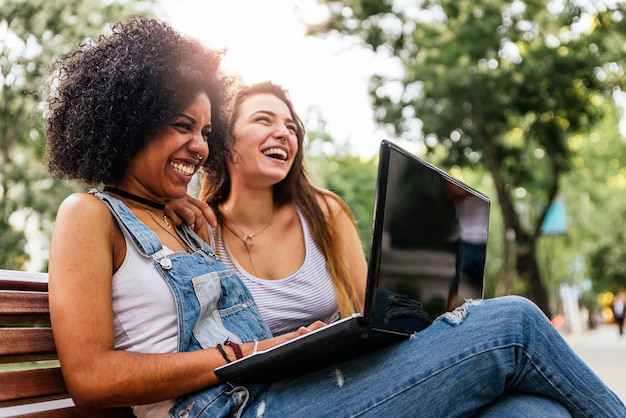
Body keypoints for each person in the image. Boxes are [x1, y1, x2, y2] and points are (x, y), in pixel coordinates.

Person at [44, 17, 626, 417]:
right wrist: (240, 356)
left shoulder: (181, 219)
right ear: (127, 119)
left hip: (285, 391)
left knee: (532, 409)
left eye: (204, 131)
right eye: (181, 126)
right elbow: (91, 380)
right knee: (517, 325)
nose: (200, 146)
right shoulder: (89, 216)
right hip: (242, 406)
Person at [160, 82, 625, 417]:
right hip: (282, 398)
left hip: (356, 376)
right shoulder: (195, 226)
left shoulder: (322, 212)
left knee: (535, 413)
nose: (284, 133)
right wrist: (171, 198)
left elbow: (376, 315)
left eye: (291, 126)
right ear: (222, 140)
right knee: (516, 320)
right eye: (263, 120)